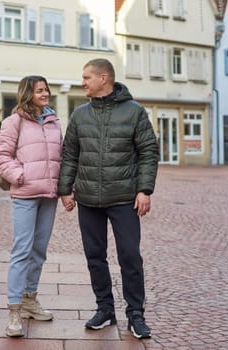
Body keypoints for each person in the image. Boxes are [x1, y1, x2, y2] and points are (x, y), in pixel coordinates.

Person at [58, 58, 159, 339]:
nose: (83, 82)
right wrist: (65, 190)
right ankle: (105, 310)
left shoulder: (134, 112)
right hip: (88, 199)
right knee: (95, 257)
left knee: (129, 256)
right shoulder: (79, 115)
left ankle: (136, 315)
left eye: (86, 77)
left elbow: (149, 152)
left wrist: (145, 190)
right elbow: (70, 155)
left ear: (104, 78)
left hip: (125, 198)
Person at [0, 76, 62, 337]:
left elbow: (61, 155)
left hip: (49, 195)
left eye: (47, 89)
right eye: (40, 90)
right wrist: (20, 176)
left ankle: (30, 300)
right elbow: (0, 156)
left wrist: (64, 188)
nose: (46, 94)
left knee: (39, 250)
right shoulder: (14, 122)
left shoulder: (54, 122)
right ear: (27, 93)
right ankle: (14, 311)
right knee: (21, 250)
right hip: (25, 195)